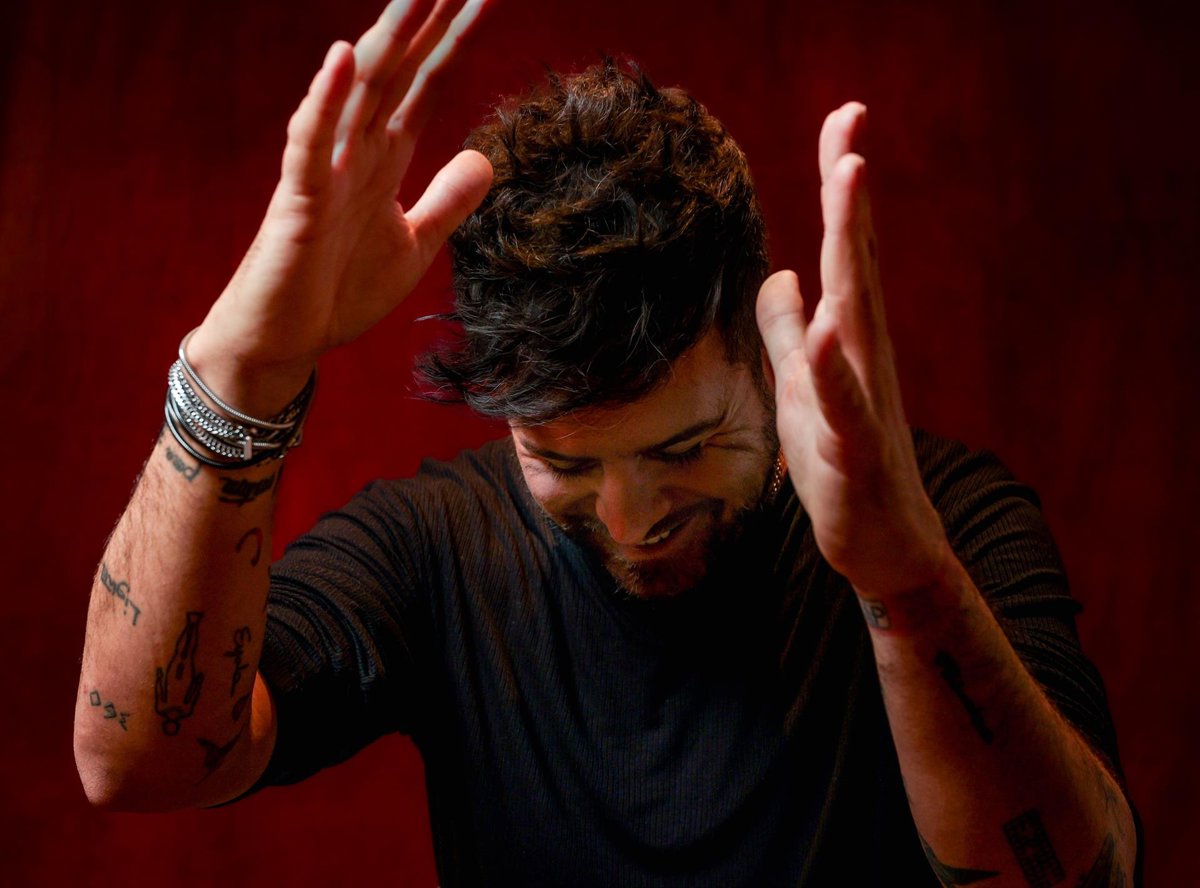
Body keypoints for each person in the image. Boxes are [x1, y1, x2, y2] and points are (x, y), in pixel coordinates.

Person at [73, 1, 1139, 884]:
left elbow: (1085, 877)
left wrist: (903, 581)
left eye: (683, 449)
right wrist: (240, 376)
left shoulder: (945, 517)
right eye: (565, 462)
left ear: (757, 355)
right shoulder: (437, 545)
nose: (630, 521)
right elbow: (140, 764)